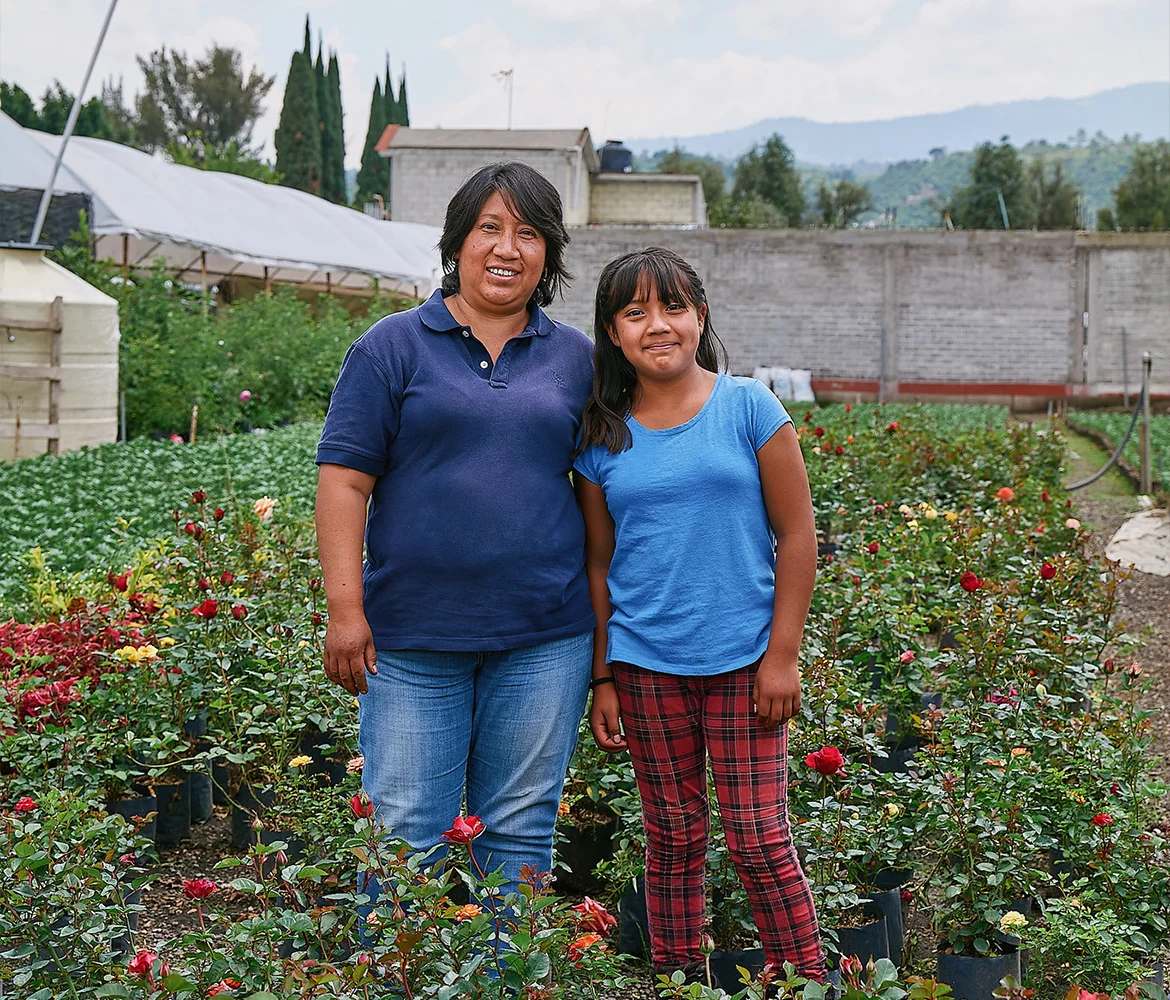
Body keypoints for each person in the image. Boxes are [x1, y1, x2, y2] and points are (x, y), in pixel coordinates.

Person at [314, 162, 596, 893]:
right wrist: (346, 612)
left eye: (528, 233)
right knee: (406, 830)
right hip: (412, 637)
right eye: (490, 228)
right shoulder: (392, 346)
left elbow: (606, 488)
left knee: (521, 826)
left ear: (549, 253)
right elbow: (345, 480)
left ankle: (508, 978)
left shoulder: (576, 360)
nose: (508, 248)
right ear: (457, 242)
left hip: (544, 637)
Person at [573, 247, 826, 983]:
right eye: (635, 312)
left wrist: (782, 655)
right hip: (646, 666)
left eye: (673, 307)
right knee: (674, 837)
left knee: (756, 837)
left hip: (746, 663)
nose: (658, 325)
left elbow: (798, 535)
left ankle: (804, 983)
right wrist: (603, 678)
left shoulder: (749, 408)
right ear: (613, 332)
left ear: (700, 316)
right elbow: (598, 563)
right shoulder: (602, 437)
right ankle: (681, 981)